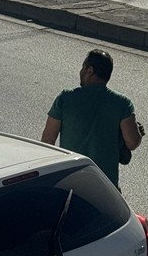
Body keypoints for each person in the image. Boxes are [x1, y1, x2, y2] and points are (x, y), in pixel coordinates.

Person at [42, 49, 142, 189]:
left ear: (90, 71)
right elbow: (132, 142)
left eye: (83, 67)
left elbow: (48, 139)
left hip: (71, 181)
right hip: (106, 186)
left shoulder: (66, 98)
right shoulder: (122, 103)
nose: (81, 72)